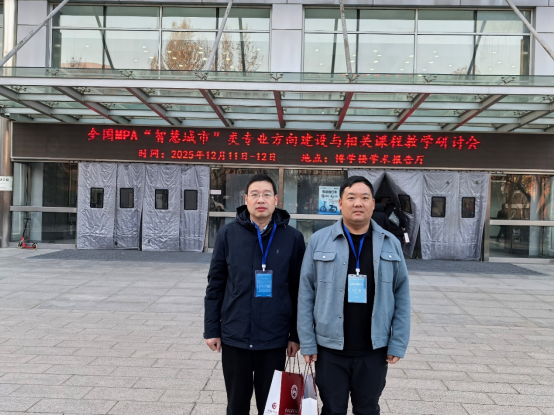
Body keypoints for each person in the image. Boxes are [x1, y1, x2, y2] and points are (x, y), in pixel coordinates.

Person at [297, 176, 411, 415]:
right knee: (332, 410)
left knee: (368, 409)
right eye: (351, 198)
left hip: (374, 350)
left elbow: (402, 295)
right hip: (329, 350)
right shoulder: (319, 241)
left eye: (364, 198)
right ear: (340, 203)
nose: (358, 203)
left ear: (373, 204)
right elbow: (306, 293)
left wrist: (398, 342)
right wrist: (307, 341)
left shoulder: (391, 243)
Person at [204, 174, 306, 415]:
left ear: (276, 200)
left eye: (267, 194)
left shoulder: (293, 238)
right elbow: (216, 284)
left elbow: (298, 290)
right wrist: (212, 329)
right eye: (255, 194)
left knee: (271, 407)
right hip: (235, 336)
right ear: (246, 199)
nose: (261, 199)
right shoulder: (228, 235)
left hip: (274, 339)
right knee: (236, 405)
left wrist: (296, 335)